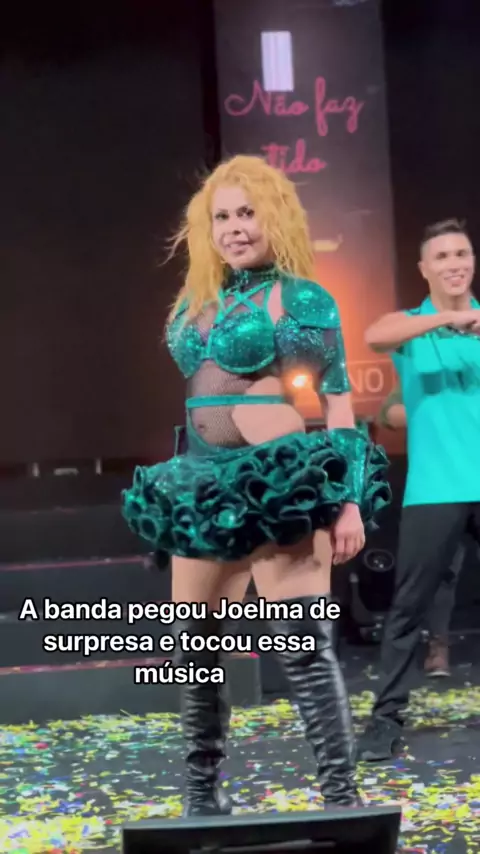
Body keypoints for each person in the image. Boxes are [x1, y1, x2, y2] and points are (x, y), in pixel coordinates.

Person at [122, 155, 391, 813]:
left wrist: (348, 501)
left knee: (301, 651)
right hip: (203, 485)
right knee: (195, 654)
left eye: (247, 213)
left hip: (278, 485)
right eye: (222, 216)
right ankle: (201, 800)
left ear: (274, 218)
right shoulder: (199, 299)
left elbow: (336, 404)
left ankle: (341, 798)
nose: (234, 228)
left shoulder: (301, 298)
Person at [358, 218, 480, 762]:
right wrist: (450, 320)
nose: (455, 264)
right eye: (443, 256)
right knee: (408, 608)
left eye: (463, 254)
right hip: (436, 488)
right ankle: (385, 719)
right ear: (425, 269)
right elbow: (374, 335)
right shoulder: (413, 326)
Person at [379, 384, 465, 677]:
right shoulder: (426, 370)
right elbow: (390, 414)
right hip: (439, 486)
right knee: (441, 571)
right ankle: (437, 647)